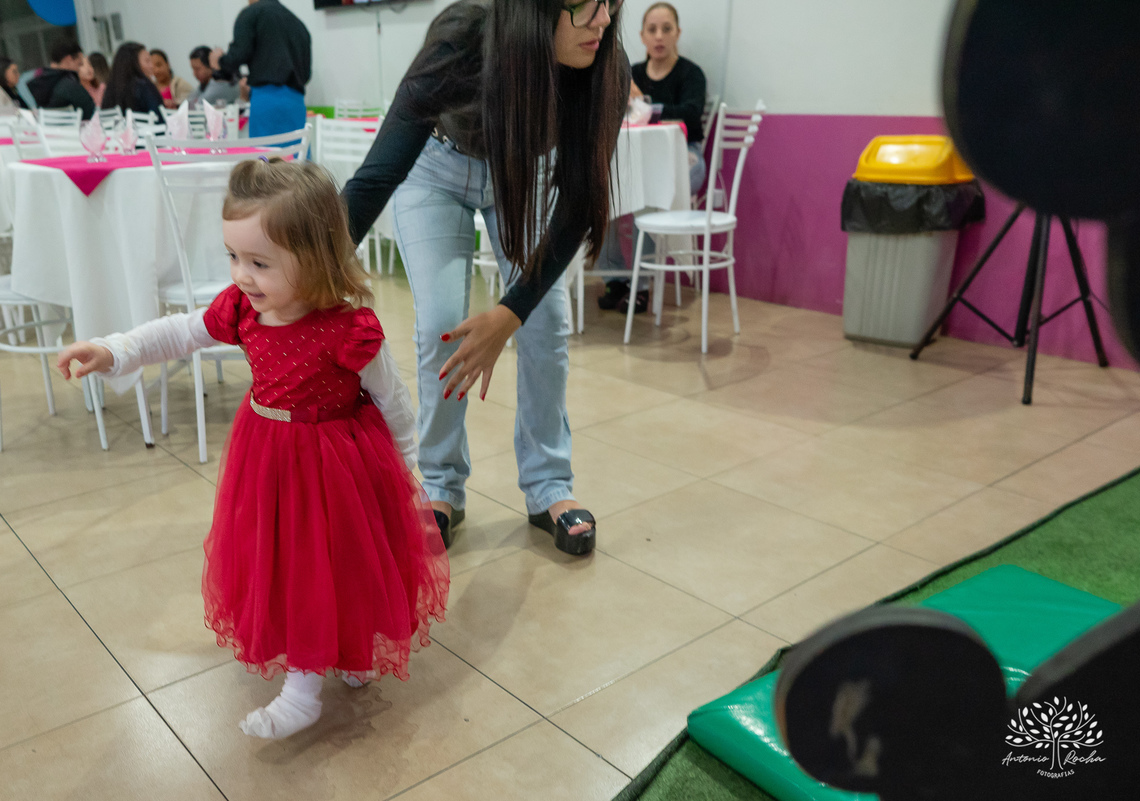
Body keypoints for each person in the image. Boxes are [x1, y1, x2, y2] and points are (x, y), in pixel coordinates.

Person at [55, 159, 448, 740]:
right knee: (290, 564)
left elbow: (392, 399)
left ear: (316, 258)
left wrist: (408, 465)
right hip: (268, 458)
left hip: (338, 462)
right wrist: (115, 350)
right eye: (233, 257)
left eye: (260, 262)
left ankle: (322, 673)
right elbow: (181, 332)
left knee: (338, 560)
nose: (241, 274)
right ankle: (309, 676)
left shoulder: (349, 328)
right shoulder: (244, 309)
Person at [344, 0, 629, 556]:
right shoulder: (463, 36)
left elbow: (576, 209)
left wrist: (509, 313)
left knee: (544, 322)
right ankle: (440, 485)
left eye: (613, 3)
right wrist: (304, 265)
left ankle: (550, 485)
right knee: (443, 326)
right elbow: (377, 175)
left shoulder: (604, 63)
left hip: (522, 170)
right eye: (587, 4)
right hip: (436, 169)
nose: (604, 20)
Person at [595, 1, 709, 314]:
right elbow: (612, 113)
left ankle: (640, 285)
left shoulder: (690, 74)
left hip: (686, 159)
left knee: (648, 194)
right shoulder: (630, 74)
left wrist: (644, 105)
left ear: (677, 34)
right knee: (607, 193)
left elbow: (690, 114)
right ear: (642, 36)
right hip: (634, 160)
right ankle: (614, 278)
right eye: (652, 29)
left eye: (666, 29)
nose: (659, 36)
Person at [209, 0, 311, 137]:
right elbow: (306, 74)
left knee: (265, 156)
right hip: (296, 103)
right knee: (297, 154)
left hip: (266, 101)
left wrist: (219, 61)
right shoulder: (298, 24)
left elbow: (238, 56)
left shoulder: (251, 14)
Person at [27, 37, 97, 119]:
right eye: (79, 64)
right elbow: (91, 113)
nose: (79, 69)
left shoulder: (42, 82)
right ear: (68, 59)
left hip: (50, 130)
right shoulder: (69, 85)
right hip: (73, 130)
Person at [101, 42, 165, 117]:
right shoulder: (144, 86)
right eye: (147, 61)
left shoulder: (111, 88)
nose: (151, 66)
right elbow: (159, 117)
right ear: (134, 64)